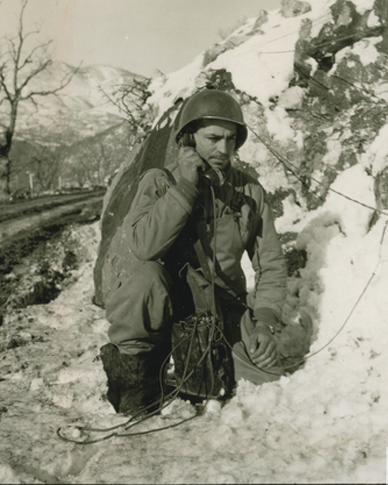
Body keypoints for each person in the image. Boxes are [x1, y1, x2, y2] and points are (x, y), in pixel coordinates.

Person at [100, 89, 288, 415]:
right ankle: (138, 375)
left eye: (231, 139)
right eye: (213, 138)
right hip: (169, 305)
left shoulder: (250, 191)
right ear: (189, 138)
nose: (224, 149)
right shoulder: (160, 181)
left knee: (266, 374)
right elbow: (144, 245)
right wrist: (186, 187)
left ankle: (193, 363)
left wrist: (264, 325)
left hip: (220, 308)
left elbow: (270, 263)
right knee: (145, 278)